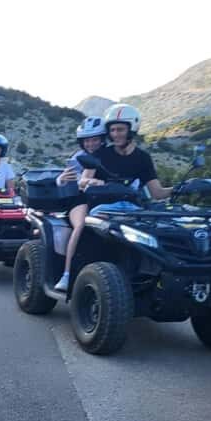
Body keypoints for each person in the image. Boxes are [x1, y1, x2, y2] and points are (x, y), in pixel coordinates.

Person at [55, 103, 174, 291]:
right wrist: (95, 182)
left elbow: (157, 192)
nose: (116, 134)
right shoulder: (101, 154)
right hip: (103, 208)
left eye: (120, 130)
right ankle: (69, 274)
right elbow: (83, 180)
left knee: (157, 235)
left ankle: (155, 280)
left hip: (134, 210)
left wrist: (182, 188)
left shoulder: (143, 158)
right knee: (88, 231)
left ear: (131, 130)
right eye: (113, 130)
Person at [52, 116, 106, 290]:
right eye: (87, 140)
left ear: (102, 139)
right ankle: (66, 275)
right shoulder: (78, 157)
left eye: (95, 139)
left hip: (105, 199)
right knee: (80, 225)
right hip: (80, 199)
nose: (91, 144)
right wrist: (61, 179)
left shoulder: (110, 155)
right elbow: (66, 179)